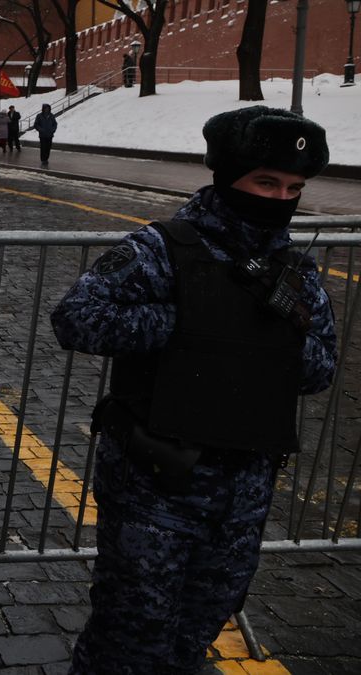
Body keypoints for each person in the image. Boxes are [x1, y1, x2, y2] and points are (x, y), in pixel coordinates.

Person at [52, 106, 336, 675]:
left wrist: (268, 344)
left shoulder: (295, 274)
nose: (280, 198)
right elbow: (76, 317)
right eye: (265, 181)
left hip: (244, 491)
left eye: (293, 187)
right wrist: (186, 326)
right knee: (129, 641)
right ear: (228, 175)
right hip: (156, 483)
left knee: (195, 635)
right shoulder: (160, 249)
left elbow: (319, 369)